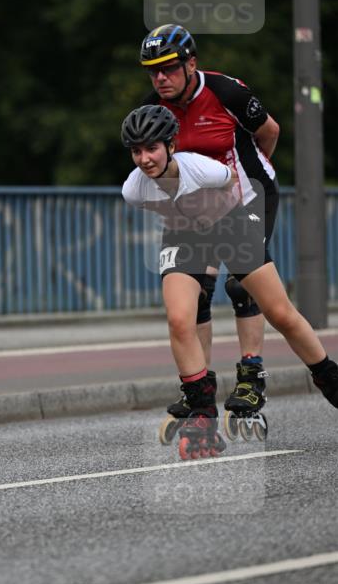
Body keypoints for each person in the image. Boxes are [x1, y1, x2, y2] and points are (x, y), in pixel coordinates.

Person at [120, 104, 338, 457]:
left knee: (280, 313)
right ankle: (202, 412)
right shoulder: (133, 189)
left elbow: (235, 183)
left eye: (152, 148)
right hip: (183, 236)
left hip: (230, 225)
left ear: (171, 145)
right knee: (180, 319)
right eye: (136, 151)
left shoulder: (201, 168)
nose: (144, 159)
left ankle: (330, 379)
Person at [138, 24, 279, 433]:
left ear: (191, 64)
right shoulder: (154, 108)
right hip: (199, 209)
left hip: (250, 196)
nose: (160, 78)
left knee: (242, 284)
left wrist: (250, 173)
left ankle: (251, 378)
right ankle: (199, 387)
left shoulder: (227, 92)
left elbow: (269, 131)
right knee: (197, 291)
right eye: (153, 71)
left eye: (169, 68)